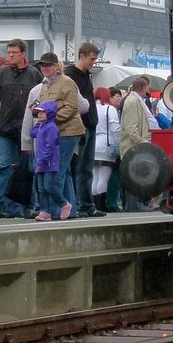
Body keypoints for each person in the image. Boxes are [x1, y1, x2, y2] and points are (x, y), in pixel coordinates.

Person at [0, 39, 40, 219]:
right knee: (2, 166)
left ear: (24, 54)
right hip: (4, 127)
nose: (10, 56)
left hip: (25, 129)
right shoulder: (2, 74)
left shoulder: (34, 74)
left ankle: (24, 206)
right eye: (8, 52)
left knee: (26, 169)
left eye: (14, 53)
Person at [30, 52, 85, 220]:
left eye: (48, 65)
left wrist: (51, 119)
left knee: (57, 172)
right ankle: (53, 209)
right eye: (42, 66)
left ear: (56, 66)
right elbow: (44, 106)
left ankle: (56, 209)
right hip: (50, 132)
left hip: (68, 132)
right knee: (55, 171)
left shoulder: (67, 82)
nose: (45, 68)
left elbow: (72, 107)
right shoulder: (45, 84)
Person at [65, 43, 104, 217]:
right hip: (80, 126)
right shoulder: (71, 75)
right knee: (78, 167)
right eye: (92, 59)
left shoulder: (86, 75)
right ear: (82, 56)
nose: (93, 63)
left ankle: (87, 204)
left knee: (86, 168)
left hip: (90, 124)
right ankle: (79, 203)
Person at [118, 77, 151, 211]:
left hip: (135, 146)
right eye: (148, 87)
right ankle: (133, 205)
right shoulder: (133, 101)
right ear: (143, 88)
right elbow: (131, 127)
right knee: (133, 175)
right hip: (133, 146)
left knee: (136, 174)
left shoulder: (134, 100)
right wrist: (142, 142)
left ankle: (135, 203)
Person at [29, 100, 61, 220]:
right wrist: (37, 123)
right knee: (41, 188)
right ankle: (44, 210)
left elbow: (50, 146)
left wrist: (41, 161)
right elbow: (32, 133)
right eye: (38, 113)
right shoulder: (41, 126)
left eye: (42, 113)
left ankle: (63, 204)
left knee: (48, 186)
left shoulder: (51, 127)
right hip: (41, 162)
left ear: (50, 113)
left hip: (48, 162)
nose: (39, 115)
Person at [92, 86, 120, 211]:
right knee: (104, 177)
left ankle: (94, 204)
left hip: (93, 144)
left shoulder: (92, 108)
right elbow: (115, 128)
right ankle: (101, 205)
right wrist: (119, 144)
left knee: (95, 177)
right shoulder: (110, 109)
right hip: (106, 145)